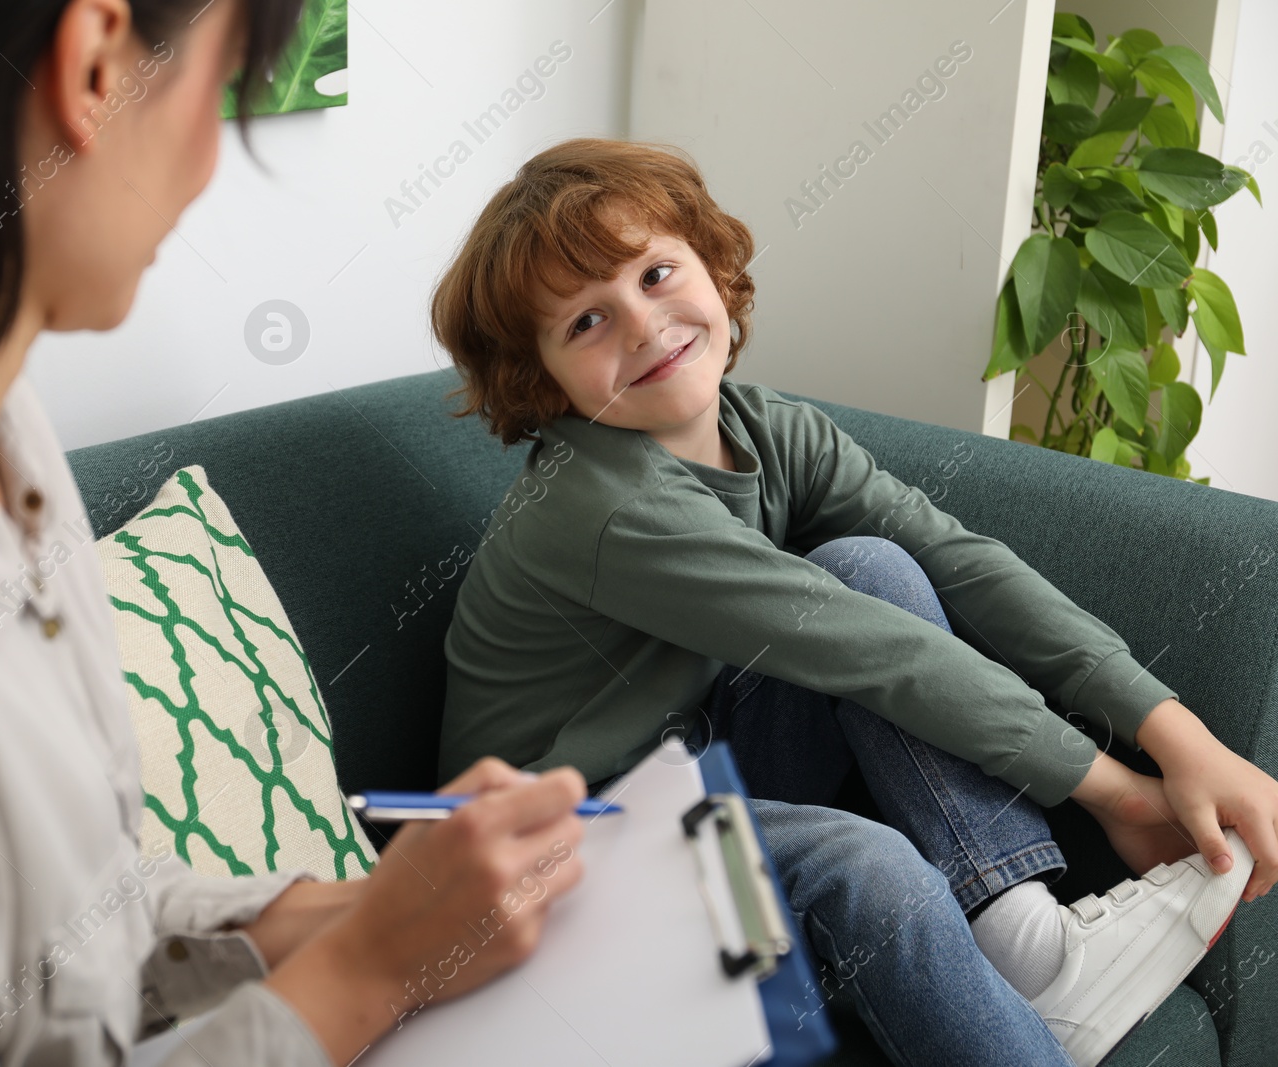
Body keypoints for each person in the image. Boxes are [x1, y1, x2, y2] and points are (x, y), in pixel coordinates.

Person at [0, 2, 591, 1065]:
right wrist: (368, 972)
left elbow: (63, 914)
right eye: (221, 89)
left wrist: (336, 913)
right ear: (95, 67)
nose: (208, 167)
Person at [432, 137, 1278, 1067]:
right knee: (868, 868)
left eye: (656, 272)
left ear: (714, 269)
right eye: (584, 323)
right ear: (543, 380)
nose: (640, 324)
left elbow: (956, 564)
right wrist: (1117, 792)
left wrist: (1176, 732)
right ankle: (1029, 1004)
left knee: (871, 561)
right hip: (566, 871)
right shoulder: (604, 507)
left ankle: (1027, 945)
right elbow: (871, 652)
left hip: (697, 775)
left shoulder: (765, 427)